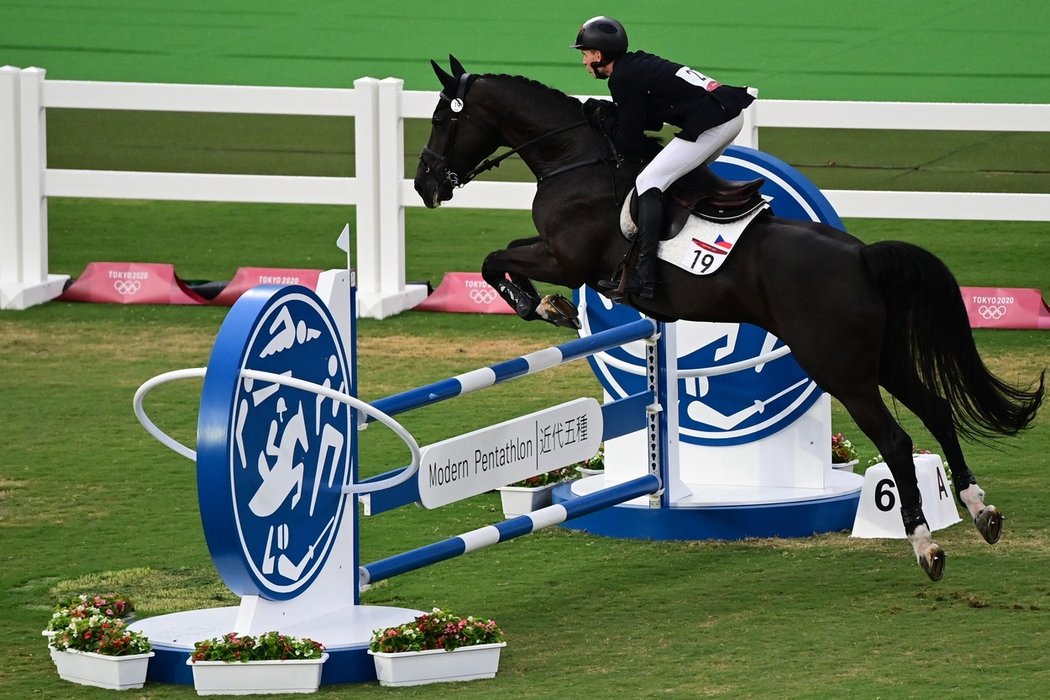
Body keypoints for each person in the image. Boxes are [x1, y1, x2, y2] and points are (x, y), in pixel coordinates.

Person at [572, 16, 755, 300]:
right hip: (726, 113)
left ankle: (644, 276)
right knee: (672, 176)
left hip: (715, 122)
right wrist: (611, 113)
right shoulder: (634, 64)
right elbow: (650, 120)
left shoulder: (622, 78)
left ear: (598, 55)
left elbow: (630, 143)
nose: (584, 62)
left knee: (649, 180)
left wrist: (601, 118)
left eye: (585, 54)